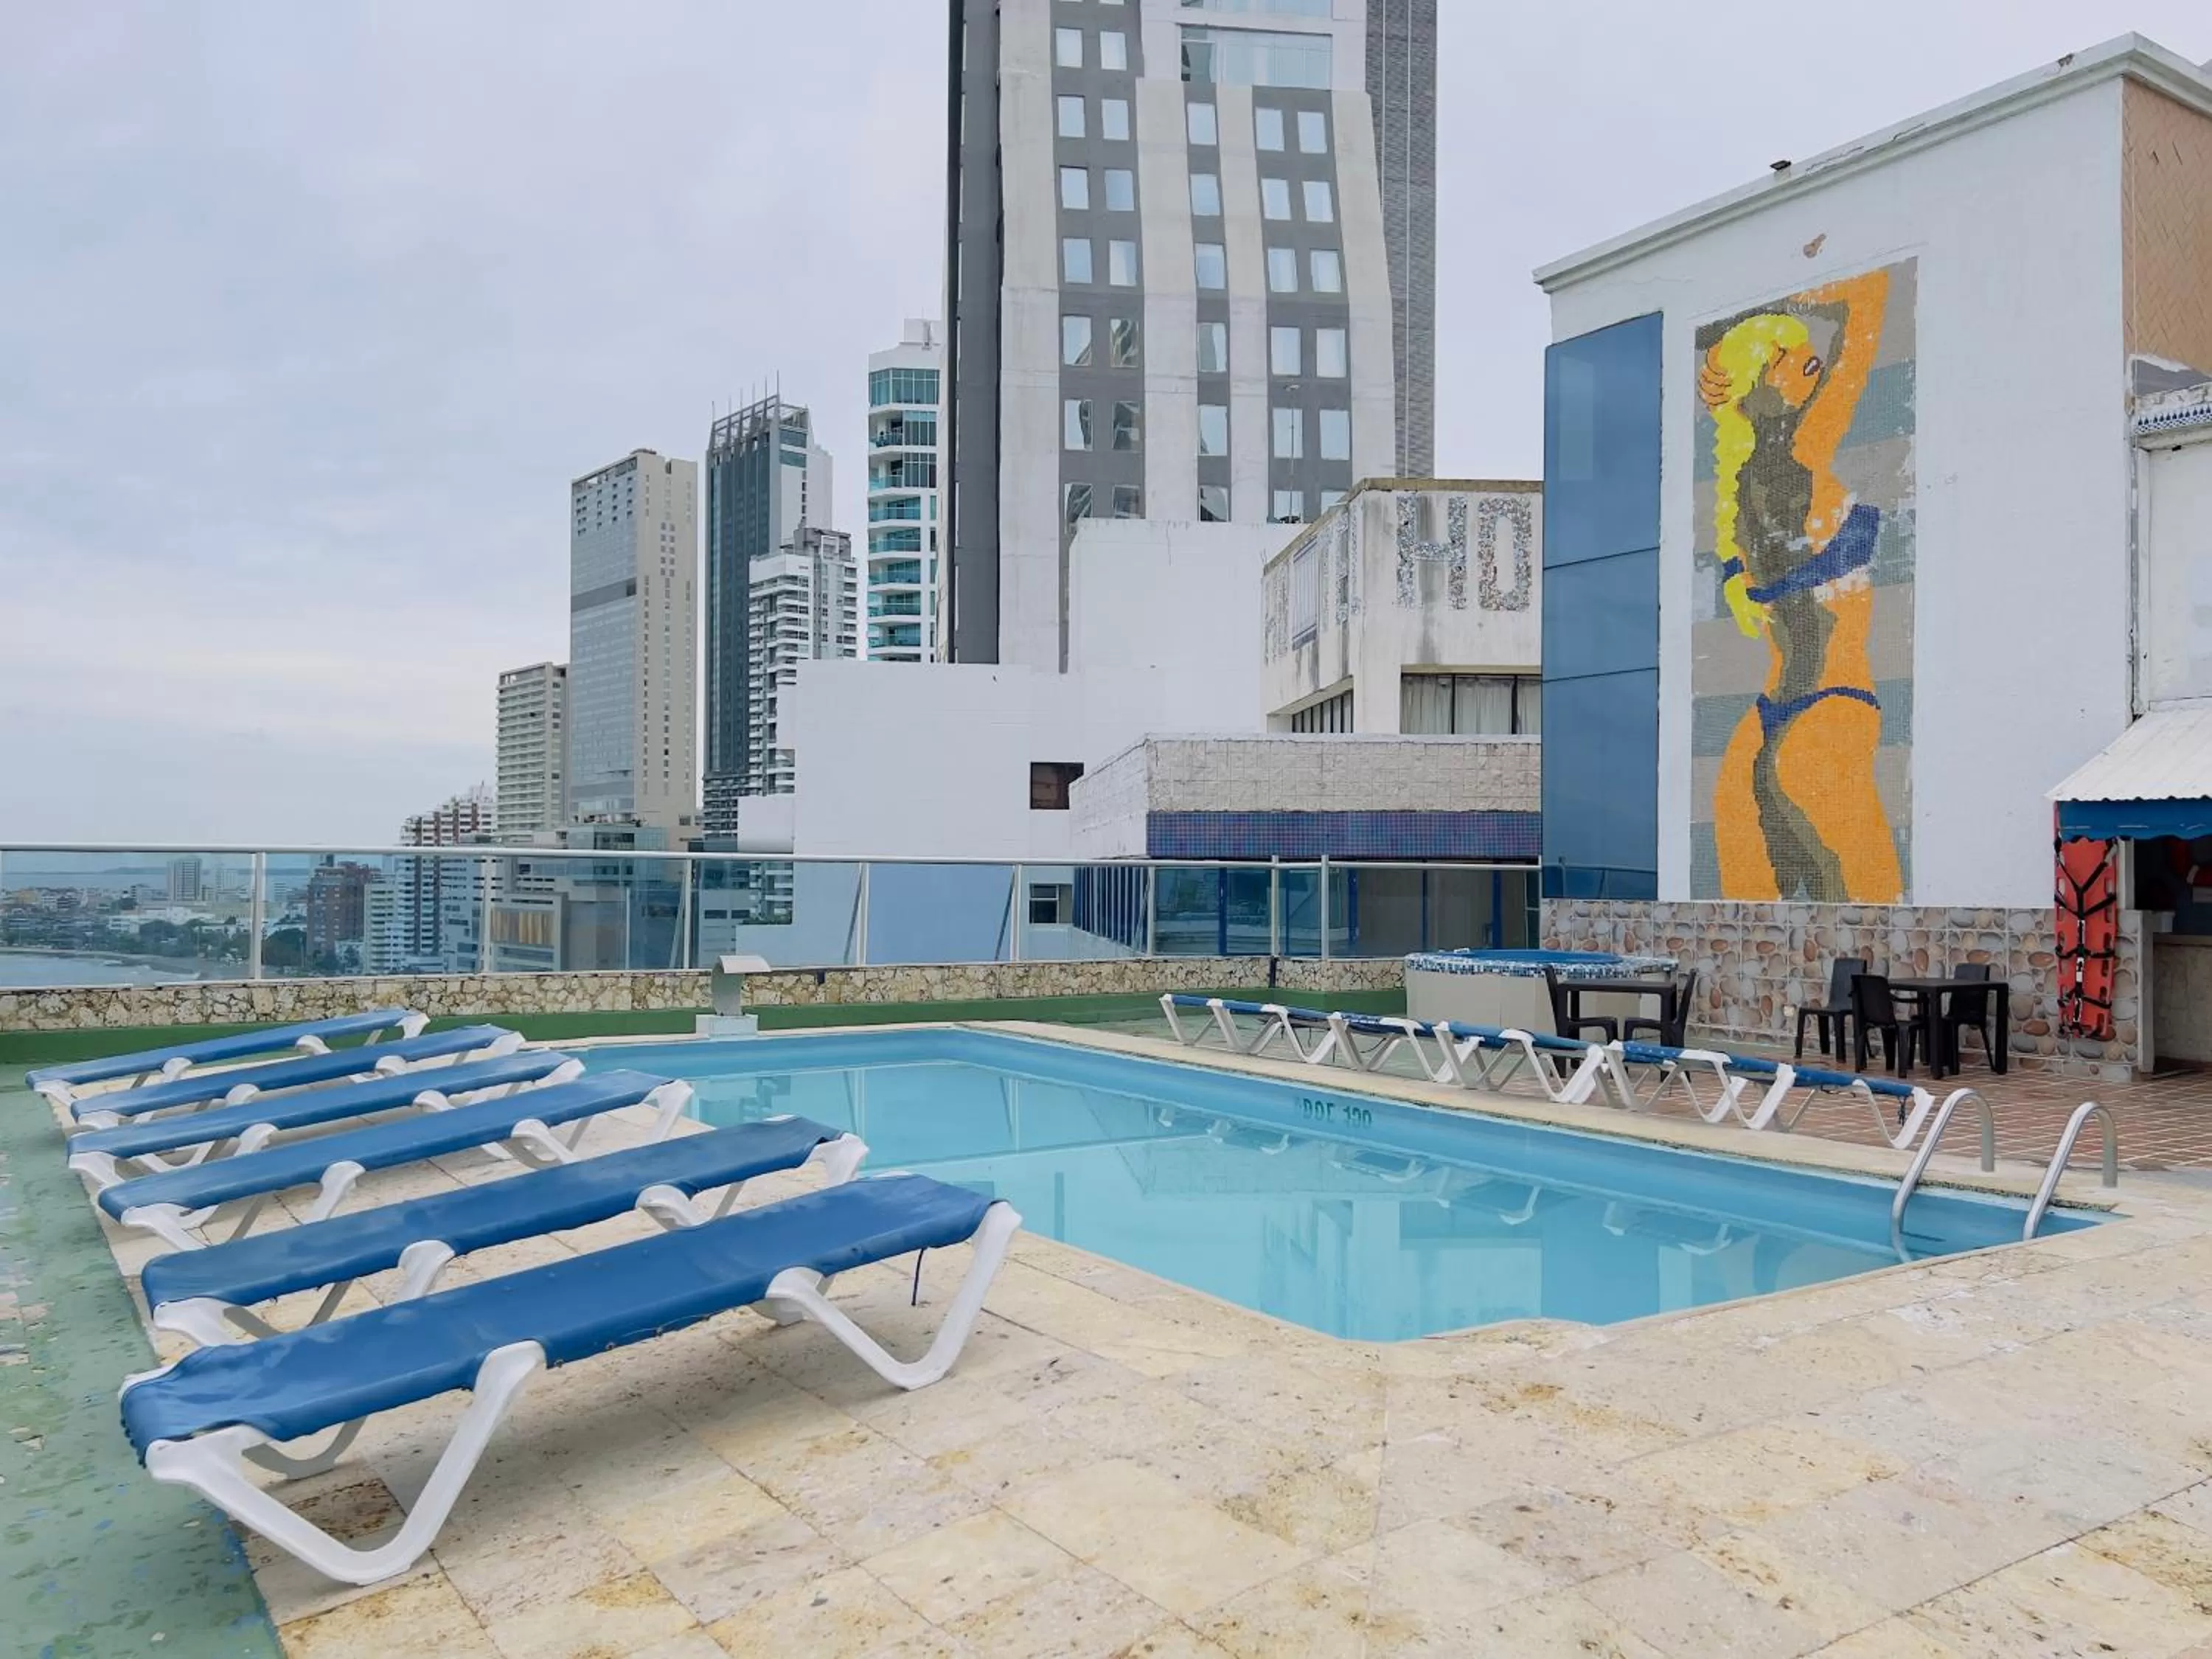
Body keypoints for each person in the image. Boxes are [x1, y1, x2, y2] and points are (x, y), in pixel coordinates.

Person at [1701, 267, 1903, 903]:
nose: (1810, 365)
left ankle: (1887, 953)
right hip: (1777, 697)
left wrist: (1754, 298)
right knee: (1736, 810)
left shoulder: (1813, 442)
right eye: (1788, 357)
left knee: (1810, 789)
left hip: (1837, 691)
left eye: (1807, 353)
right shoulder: (1739, 489)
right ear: (1756, 378)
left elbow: (1866, 300)